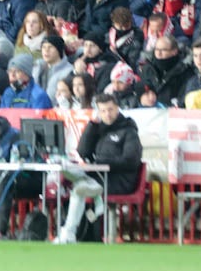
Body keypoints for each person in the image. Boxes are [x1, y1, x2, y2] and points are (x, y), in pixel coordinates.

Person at [55, 90, 142, 244]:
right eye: (102, 111)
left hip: (118, 181)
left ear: (117, 108)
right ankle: (69, 233)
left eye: (110, 109)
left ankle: (69, 233)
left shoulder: (129, 131)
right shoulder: (98, 129)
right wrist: (92, 125)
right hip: (97, 177)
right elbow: (83, 152)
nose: (107, 114)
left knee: (79, 187)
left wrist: (102, 162)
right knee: (64, 168)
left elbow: (131, 160)